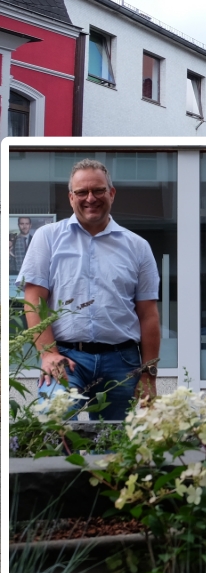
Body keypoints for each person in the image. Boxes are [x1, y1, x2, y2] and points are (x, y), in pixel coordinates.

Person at [20, 159, 160, 420]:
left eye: (98, 190)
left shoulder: (138, 246)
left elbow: (148, 314)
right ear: (71, 197)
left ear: (112, 193)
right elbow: (33, 300)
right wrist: (48, 353)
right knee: (55, 430)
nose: (90, 198)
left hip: (123, 361)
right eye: (82, 192)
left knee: (116, 448)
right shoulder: (48, 237)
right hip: (66, 357)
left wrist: (148, 375)